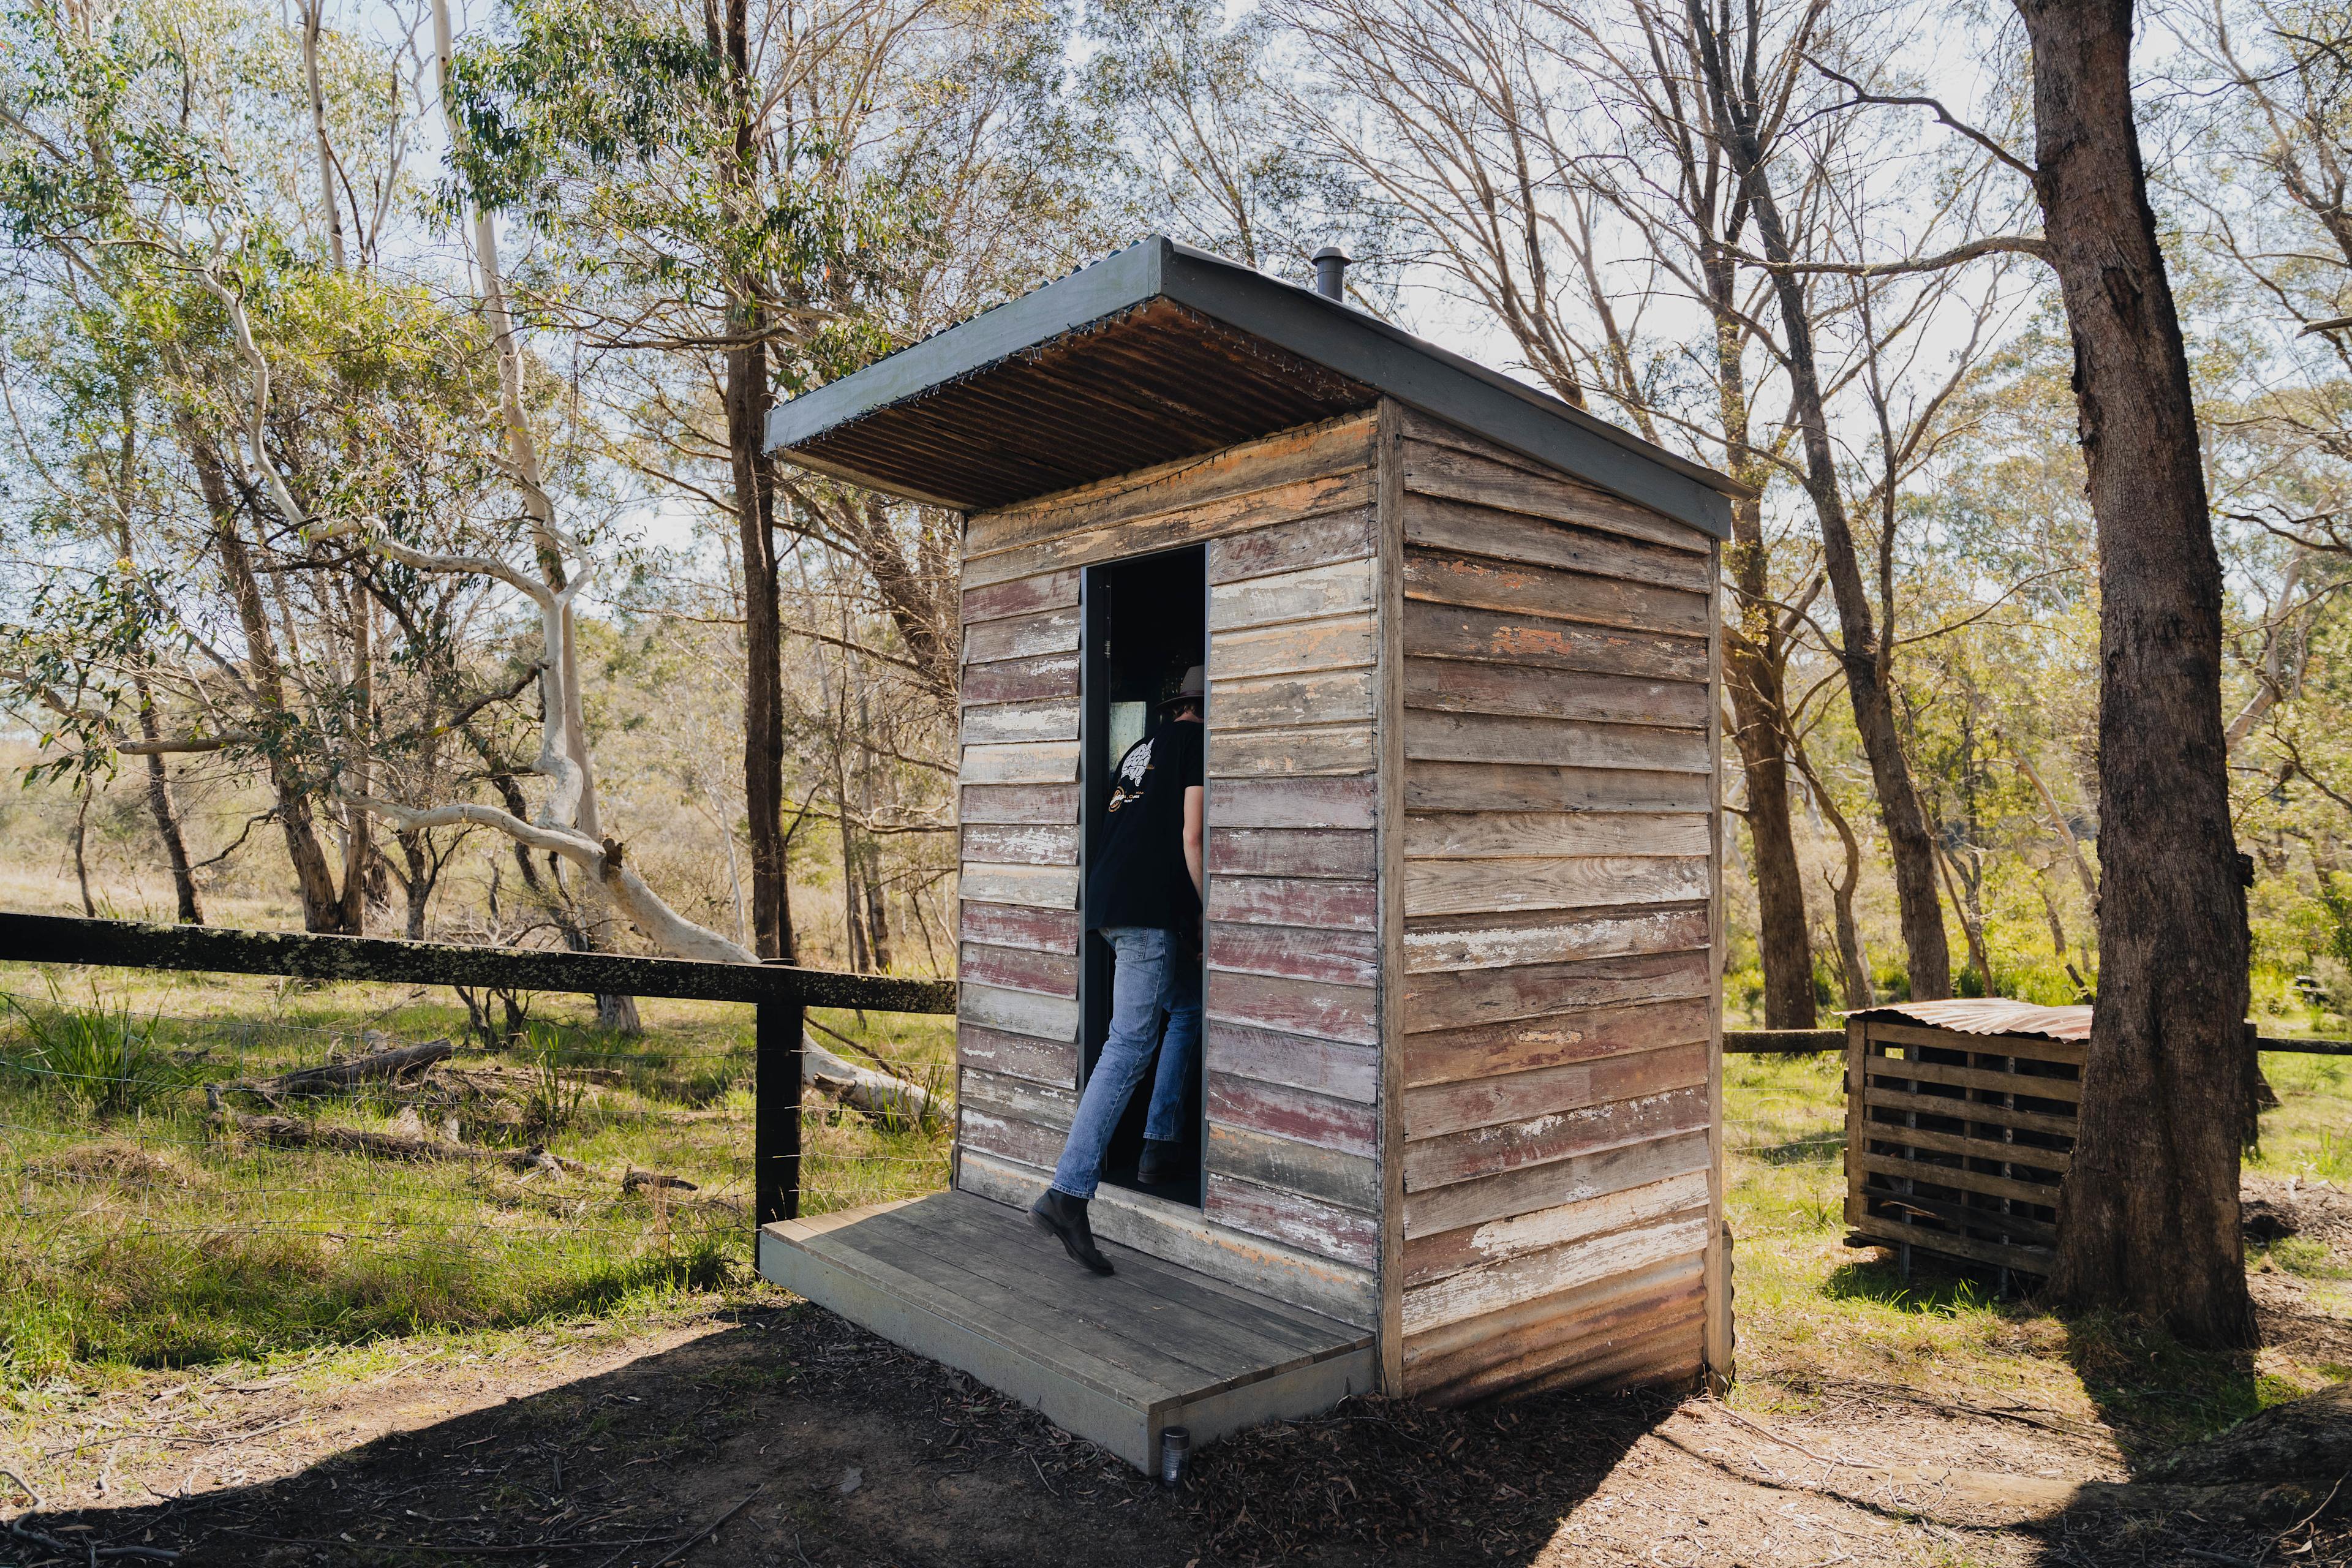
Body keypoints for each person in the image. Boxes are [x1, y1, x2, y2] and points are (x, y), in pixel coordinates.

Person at [1030, 665, 1207, 1275]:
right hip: (1148, 915)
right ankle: (1068, 1193)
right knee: (1129, 1045)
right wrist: (1213, 913)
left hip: (1110, 903)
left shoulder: (1140, 749)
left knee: (1185, 1006)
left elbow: (1116, 827)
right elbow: (1192, 837)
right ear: (1206, 709)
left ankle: (1158, 1145)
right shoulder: (1197, 745)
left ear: (1177, 702)